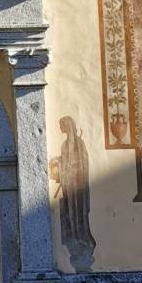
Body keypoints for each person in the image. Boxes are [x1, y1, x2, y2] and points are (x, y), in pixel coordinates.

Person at [51, 116, 96, 271]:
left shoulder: (79, 144)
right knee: (70, 213)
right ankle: (74, 238)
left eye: (62, 125)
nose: (60, 128)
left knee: (79, 213)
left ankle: (83, 240)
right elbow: (65, 163)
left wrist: (69, 166)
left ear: (68, 125)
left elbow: (83, 164)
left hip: (78, 186)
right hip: (68, 186)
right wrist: (59, 163)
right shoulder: (64, 146)